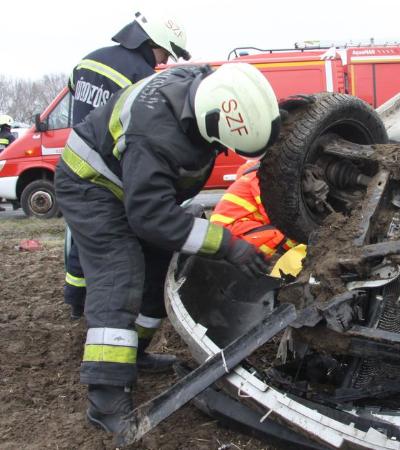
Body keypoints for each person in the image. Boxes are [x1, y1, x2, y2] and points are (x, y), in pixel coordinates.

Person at [55, 62, 281, 434]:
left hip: (133, 187)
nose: (223, 150)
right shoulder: (154, 135)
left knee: (160, 269)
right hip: (92, 186)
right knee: (119, 275)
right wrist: (226, 245)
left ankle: (134, 356)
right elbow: (149, 216)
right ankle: (105, 396)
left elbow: (239, 107)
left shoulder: (205, 87)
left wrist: (276, 119)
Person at [64, 11, 190, 322]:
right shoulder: (143, 76)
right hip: (112, 169)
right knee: (116, 252)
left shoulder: (89, 60)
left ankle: (75, 301)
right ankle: (105, 314)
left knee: (80, 239)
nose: (163, 60)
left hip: (76, 160)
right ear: (152, 42)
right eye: (164, 52)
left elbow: (73, 95)